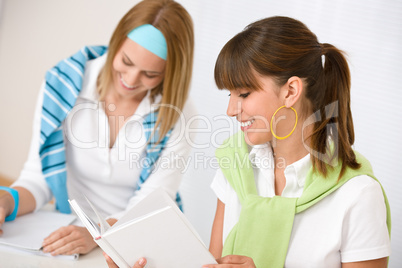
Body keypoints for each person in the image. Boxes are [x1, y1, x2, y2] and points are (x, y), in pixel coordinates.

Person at [104, 16, 391, 268]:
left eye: (243, 94)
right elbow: (210, 264)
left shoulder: (358, 195)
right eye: (228, 95)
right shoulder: (236, 167)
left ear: (290, 91)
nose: (231, 110)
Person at [0, 0, 195, 256]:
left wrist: (97, 233)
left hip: (137, 239)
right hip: (71, 233)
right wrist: (6, 201)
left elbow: (149, 207)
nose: (131, 79)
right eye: (126, 61)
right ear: (116, 42)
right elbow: (40, 178)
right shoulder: (64, 84)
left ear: (170, 73)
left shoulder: (178, 116)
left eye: (150, 74)